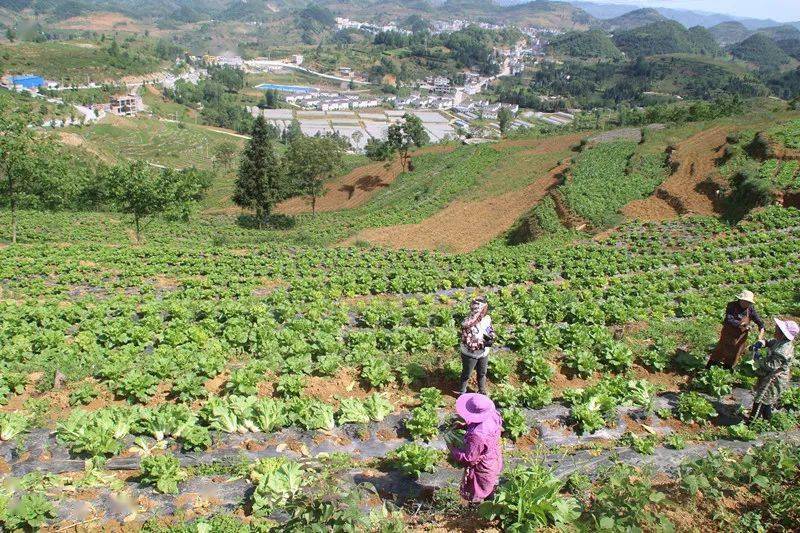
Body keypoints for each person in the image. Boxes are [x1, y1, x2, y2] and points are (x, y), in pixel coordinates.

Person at [448, 393, 504, 503]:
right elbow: (485, 425)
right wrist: (465, 425)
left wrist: (453, 450)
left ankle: (476, 512)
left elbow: (470, 458)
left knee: (478, 491)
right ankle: (490, 503)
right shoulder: (493, 414)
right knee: (489, 485)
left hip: (483, 467)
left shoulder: (477, 436)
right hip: (494, 457)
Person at [749, 318, 798, 421]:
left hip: (775, 378)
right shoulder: (780, 341)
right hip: (770, 375)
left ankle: (751, 423)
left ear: (783, 334)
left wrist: (758, 359)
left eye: (778, 329)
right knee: (766, 399)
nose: (775, 329)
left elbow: (772, 365)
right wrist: (762, 343)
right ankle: (767, 420)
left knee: (761, 399)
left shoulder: (783, 350)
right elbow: (771, 342)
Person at [707, 290, 766, 369]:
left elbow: (759, 321)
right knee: (720, 350)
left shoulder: (750, 309)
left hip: (740, 337)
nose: (747, 304)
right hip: (728, 334)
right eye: (745, 301)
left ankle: (727, 369)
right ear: (740, 299)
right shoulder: (732, 305)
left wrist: (761, 329)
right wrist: (741, 324)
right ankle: (711, 366)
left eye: (749, 302)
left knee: (735, 353)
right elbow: (729, 319)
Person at [458, 296, 495, 395]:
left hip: (483, 353)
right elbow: (468, 343)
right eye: (484, 309)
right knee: (467, 374)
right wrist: (483, 343)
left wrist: (491, 336)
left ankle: (482, 390)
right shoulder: (467, 324)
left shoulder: (486, 319)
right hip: (470, 354)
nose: (485, 311)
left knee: (482, 373)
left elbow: (489, 329)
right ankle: (462, 392)